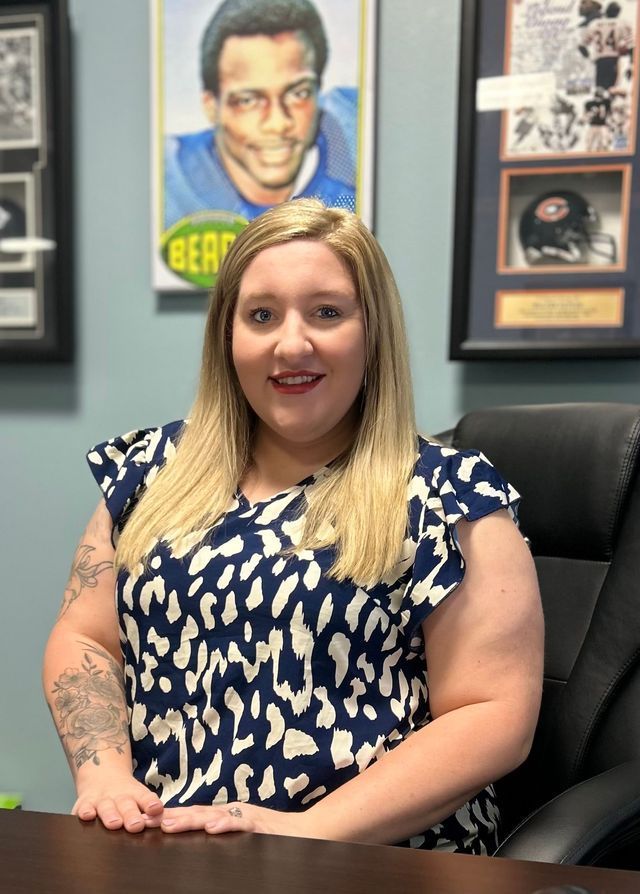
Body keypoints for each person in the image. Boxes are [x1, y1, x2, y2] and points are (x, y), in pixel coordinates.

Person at [43, 199, 543, 855]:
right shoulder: (149, 473)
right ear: (229, 335)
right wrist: (104, 775)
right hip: (167, 855)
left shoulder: (449, 496)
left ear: (373, 332)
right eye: (261, 315)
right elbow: (86, 638)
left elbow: (493, 714)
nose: (291, 342)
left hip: (369, 862)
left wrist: (303, 833)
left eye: (327, 312)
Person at [163, 0, 357, 230]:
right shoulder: (166, 184)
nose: (277, 123)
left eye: (298, 93)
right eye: (248, 101)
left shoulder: (356, 137)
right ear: (211, 106)